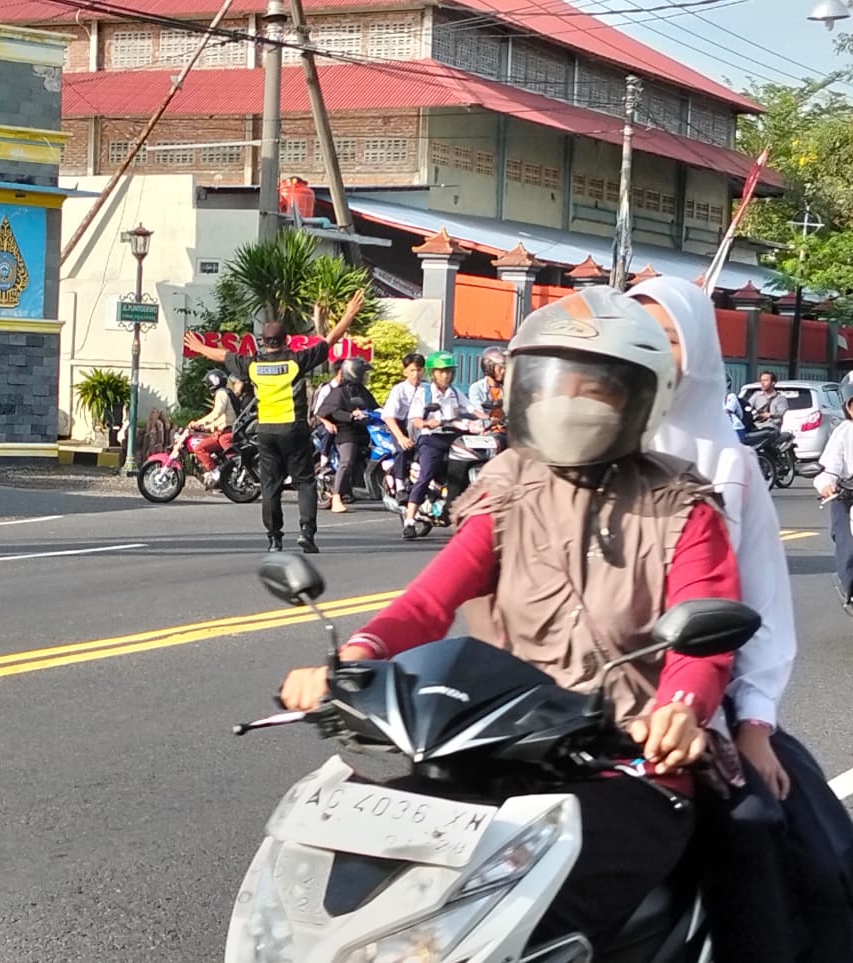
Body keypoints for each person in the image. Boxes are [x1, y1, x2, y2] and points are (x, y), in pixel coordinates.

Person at [280, 286, 740, 950]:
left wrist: (680, 707)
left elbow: (701, 642)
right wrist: (356, 657)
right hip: (489, 751)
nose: (569, 401)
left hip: (625, 768)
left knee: (518, 913)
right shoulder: (506, 488)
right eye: (554, 383)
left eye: (596, 387)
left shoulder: (680, 507)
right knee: (353, 881)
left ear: (640, 398)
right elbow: (427, 602)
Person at [632, 276, 853, 962]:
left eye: (667, 338)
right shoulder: (581, 441)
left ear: (696, 349)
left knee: (780, 835)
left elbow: (758, 600)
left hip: (704, 693)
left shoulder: (727, 464)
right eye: (640, 337)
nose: (652, 355)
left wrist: (753, 724)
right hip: (581, 692)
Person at [182, 290, 364, 553]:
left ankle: (274, 539)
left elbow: (224, 355)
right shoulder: (296, 361)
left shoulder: (253, 364)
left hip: (266, 431)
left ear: (263, 341)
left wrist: (199, 348)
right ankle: (306, 533)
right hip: (294, 429)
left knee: (270, 487)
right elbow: (329, 340)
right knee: (304, 482)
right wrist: (349, 313)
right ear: (286, 340)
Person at [401, 350, 483, 540]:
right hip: (431, 438)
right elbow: (414, 419)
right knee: (426, 473)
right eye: (441, 371)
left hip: (454, 437)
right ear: (433, 373)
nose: (445, 375)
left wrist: (490, 419)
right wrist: (427, 423)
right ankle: (410, 519)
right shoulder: (425, 392)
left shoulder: (455, 392)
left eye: (448, 371)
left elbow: (472, 409)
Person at [316, 358, 378, 514]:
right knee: (347, 460)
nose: (365, 377)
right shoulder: (339, 391)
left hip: (363, 429)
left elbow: (375, 406)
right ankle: (336, 497)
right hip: (345, 431)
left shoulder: (362, 391)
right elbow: (329, 411)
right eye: (363, 373)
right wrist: (351, 415)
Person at [814, 385, 853, 609]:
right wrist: (827, 485)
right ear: (848, 407)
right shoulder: (844, 432)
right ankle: (848, 584)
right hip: (847, 496)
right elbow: (828, 469)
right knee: (847, 545)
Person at [380, 353, 425, 505]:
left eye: (419, 370)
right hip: (399, 425)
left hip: (418, 425)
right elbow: (388, 416)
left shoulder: (427, 388)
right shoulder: (399, 390)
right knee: (403, 449)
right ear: (405, 371)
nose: (416, 374)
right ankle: (400, 486)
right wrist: (400, 437)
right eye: (412, 370)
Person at [189, 369, 235, 479]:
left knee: (199, 448)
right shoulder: (227, 392)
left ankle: (216, 473)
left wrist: (199, 422)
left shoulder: (221, 393)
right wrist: (206, 427)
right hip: (229, 428)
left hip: (227, 430)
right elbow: (223, 417)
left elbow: (217, 413)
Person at [468, 345, 507, 425]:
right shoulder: (477, 388)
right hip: (486, 431)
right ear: (488, 367)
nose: (503, 371)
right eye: (500, 368)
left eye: (505, 368)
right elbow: (478, 413)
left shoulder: (508, 388)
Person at [310, 369, 343, 466]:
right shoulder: (327, 389)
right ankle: (324, 457)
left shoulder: (346, 388)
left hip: (341, 420)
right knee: (328, 431)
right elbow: (317, 411)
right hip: (324, 422)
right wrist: (327, 423)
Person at [724, 375, 747, 442]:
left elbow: (727, 411)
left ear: (727, 383)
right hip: (722, 429)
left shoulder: (731, 396)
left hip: (735, 429)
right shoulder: (716, 398)